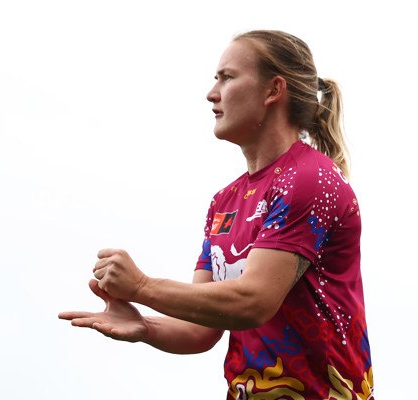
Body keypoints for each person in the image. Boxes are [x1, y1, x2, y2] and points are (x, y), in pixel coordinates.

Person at [59, 30, 374, 400]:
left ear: (273, 90)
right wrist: (145, 324)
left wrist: (142, 287)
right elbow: (200, 328)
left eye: (227, 77)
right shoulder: (224, 201)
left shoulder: (309, 179)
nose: (212, 93)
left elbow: (253, 301)